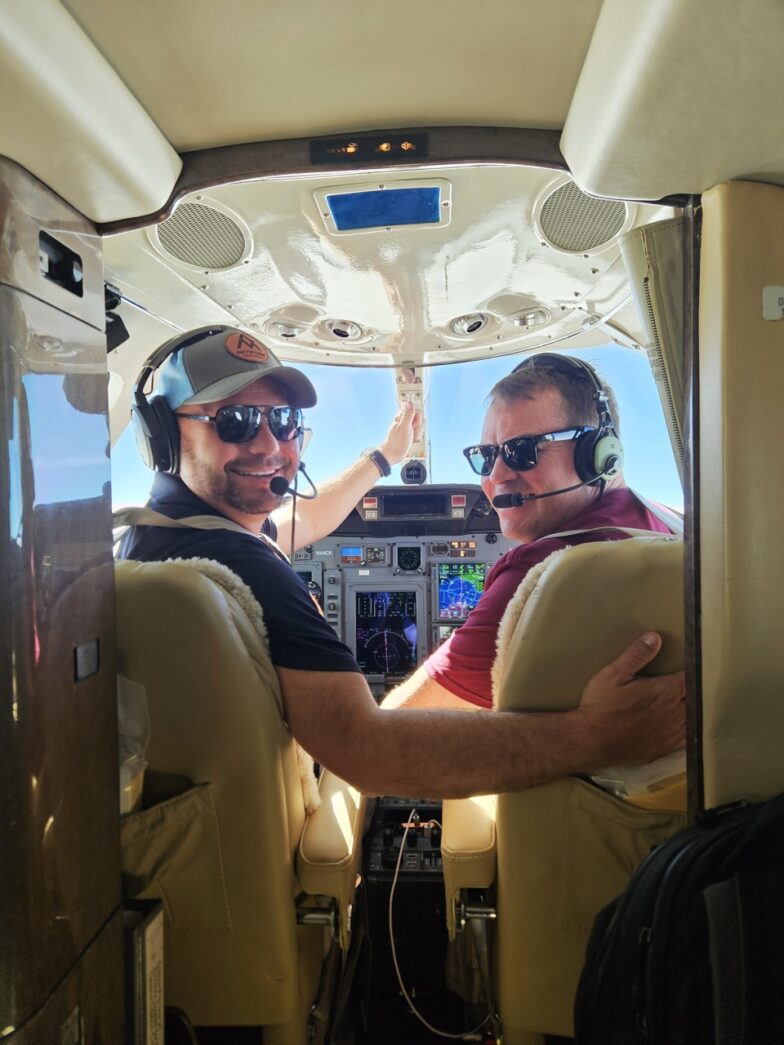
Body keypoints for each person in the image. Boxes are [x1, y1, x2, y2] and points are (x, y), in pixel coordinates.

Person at [117, 325, 685, 798]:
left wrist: (383, 459)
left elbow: (301, 523)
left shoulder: (155, 542)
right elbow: (374, 751)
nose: (270, 446)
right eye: (236, 421)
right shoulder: (679, 529)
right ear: (163, 435)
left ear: (595, 452)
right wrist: (590, 737)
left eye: (284, 421)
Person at [383, 352, 680, 712]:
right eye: (486, 455)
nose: (496, 475)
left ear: (598, 453)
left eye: (521, 451)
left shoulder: (539, 572)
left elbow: (395, 728)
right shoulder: (675, 526)